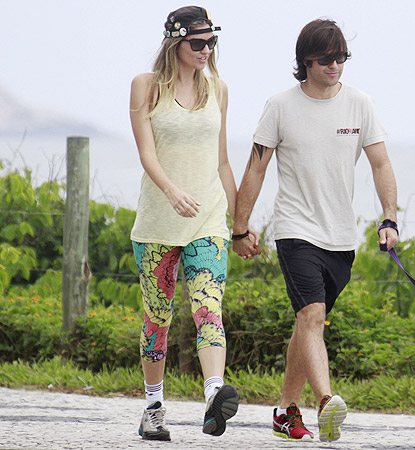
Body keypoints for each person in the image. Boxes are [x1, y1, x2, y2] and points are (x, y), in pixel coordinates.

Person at [231, 18, 399, 442]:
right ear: (306, 60)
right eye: (327, 58)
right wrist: (240, 226)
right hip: (295, 230)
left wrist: (389, 217)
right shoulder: (281, 106)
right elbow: (256, 166)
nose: (336, 65)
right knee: (312, 316)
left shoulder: (360, 104)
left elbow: (380, 164)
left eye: (342, 57)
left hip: (341, 238)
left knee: (308, 327)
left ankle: (286, 412)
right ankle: (326, 401)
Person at [129, 5, 255, 441]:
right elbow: (147, 152)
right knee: (157, 320)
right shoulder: (145, 87)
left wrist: (239, 224)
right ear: (175, 43)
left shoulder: (218, 89)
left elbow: (222, 161)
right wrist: (171, 190)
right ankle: (153, 406)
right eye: (197, 43)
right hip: (158, 223)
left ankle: (214, 393)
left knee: (208, 308)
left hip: (208, 221)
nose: (206, 50)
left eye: (211, 42)